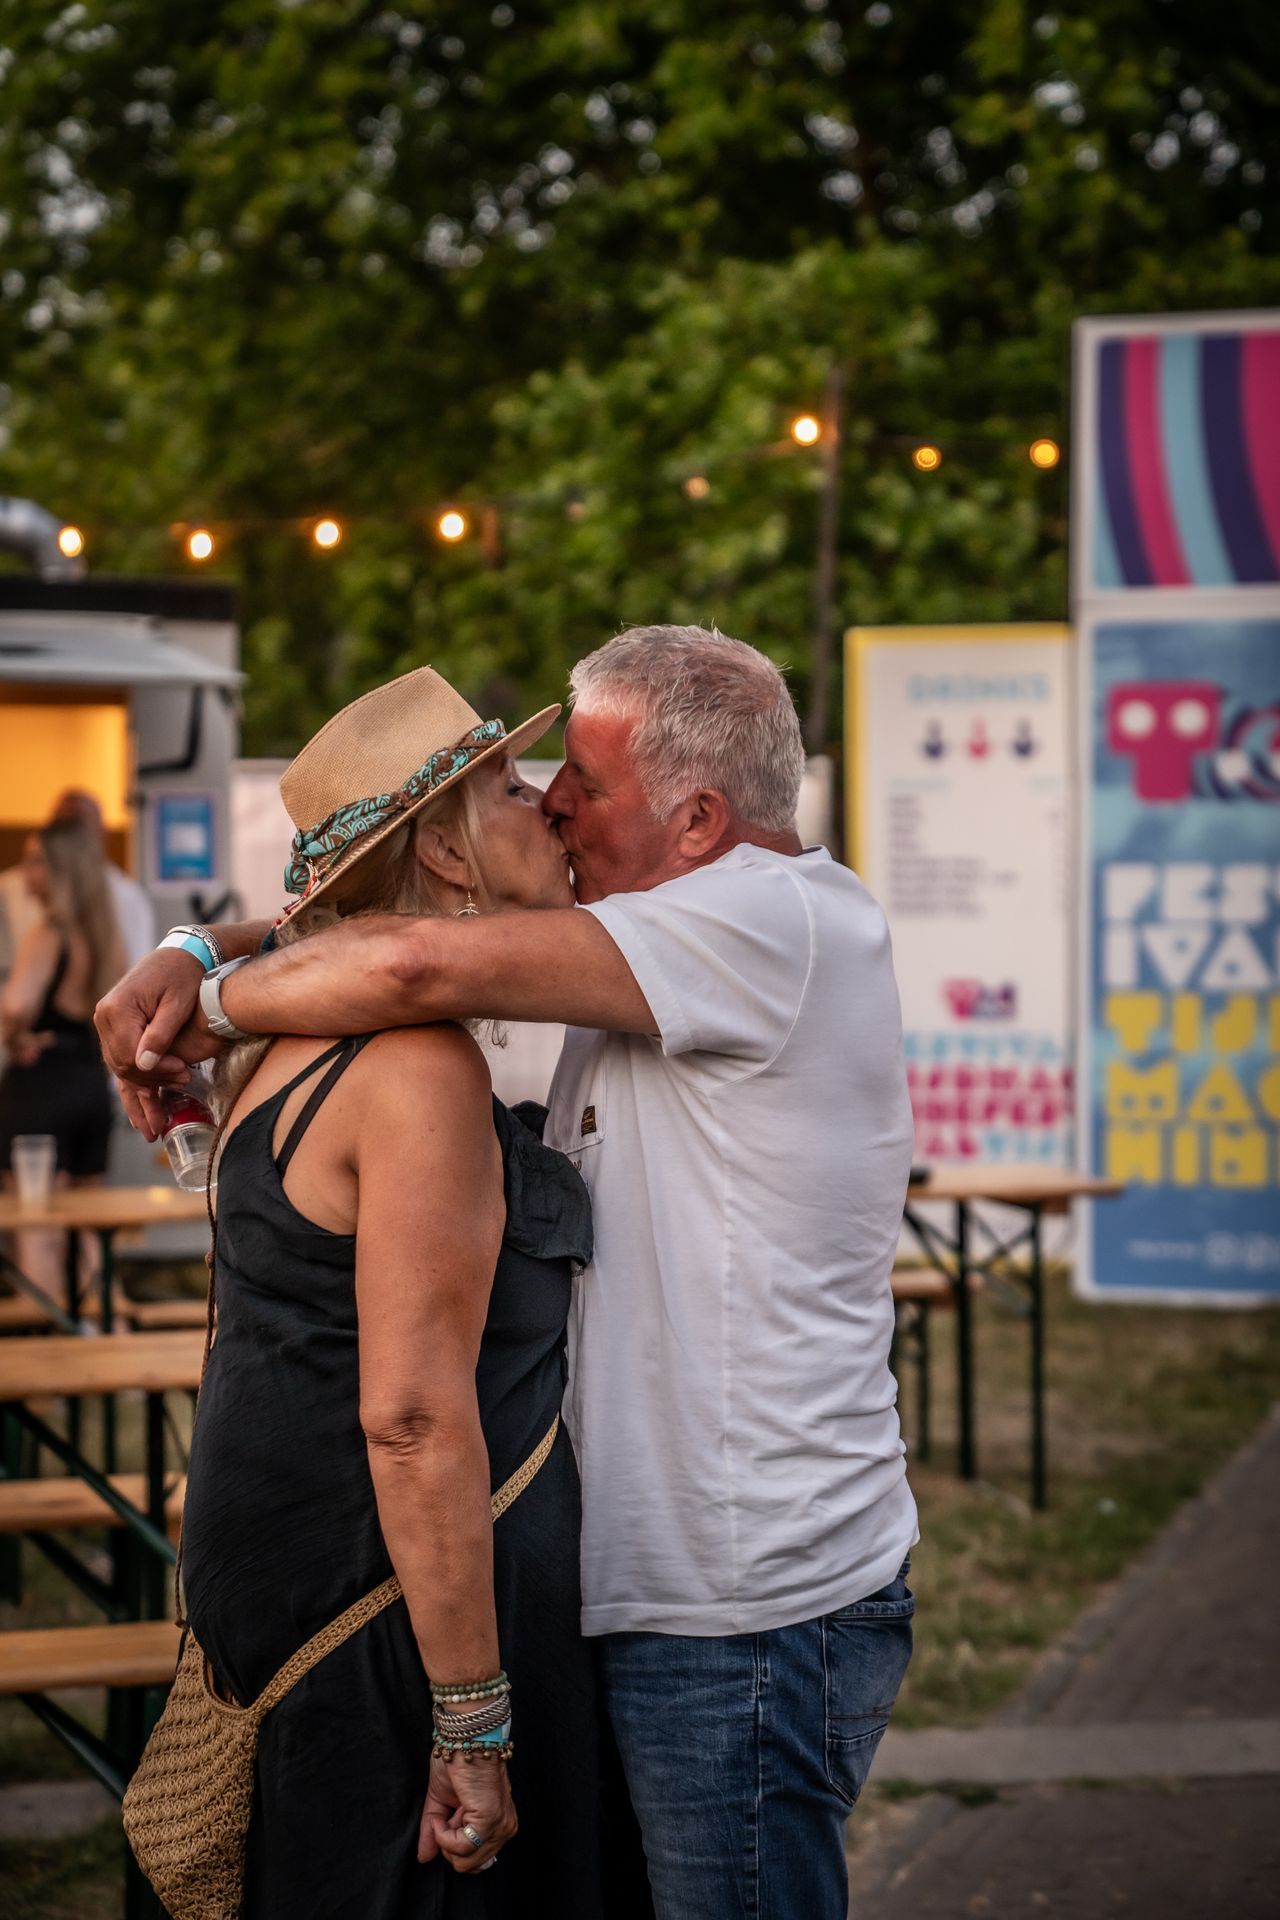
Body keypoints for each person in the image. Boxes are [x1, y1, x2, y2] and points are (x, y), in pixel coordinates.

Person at [98, 625, 918, 1920]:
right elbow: (388, 940)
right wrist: (200, 946)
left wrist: (200, 995)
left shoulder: (773, 921)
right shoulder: (594, 972)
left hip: (739, 1610)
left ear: (699, 821)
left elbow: (406, 953)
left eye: (580, 780)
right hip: (590, 1607)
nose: (555, 803)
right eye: (523, 783)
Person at [157, 667, 648, 1916]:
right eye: (509, 788)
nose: (547, 805)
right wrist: (472, 1722)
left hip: (322, 1590)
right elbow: (413, 1418)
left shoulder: (290, 1045)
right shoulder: (415, 1065)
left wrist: (192, 951)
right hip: (387, 1619)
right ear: (439, 848)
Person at [1, 820, 124, 1300]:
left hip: (43, 1083)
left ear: (60, 870)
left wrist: (14, 1036)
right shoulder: (105, 935)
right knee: (92, 1222)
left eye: (37, 861)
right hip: (90, 1080)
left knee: (37, 1224)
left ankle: (50, 1338)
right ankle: (106, 1326)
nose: (26, 871)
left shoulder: (49, 931)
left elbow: (16, 1004)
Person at [50, 789, 155, 970]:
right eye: (64, 827)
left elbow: (138, 968)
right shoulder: (13, 888)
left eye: (79, 826)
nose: (72, 837)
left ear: (103, 833)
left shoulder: (127, 897)